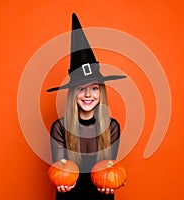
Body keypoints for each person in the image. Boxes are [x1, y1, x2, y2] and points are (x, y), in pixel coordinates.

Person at [46, 13, 126, 200]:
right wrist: (63, 184)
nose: (88, 95)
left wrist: (115, 180)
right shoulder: (59, 128)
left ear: (101, 92)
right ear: (73, 93)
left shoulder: (112, 127)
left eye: (95, 88)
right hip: (69, 196)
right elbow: (61, 168)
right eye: (81, 88)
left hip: (101, 195)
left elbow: (108, 168)